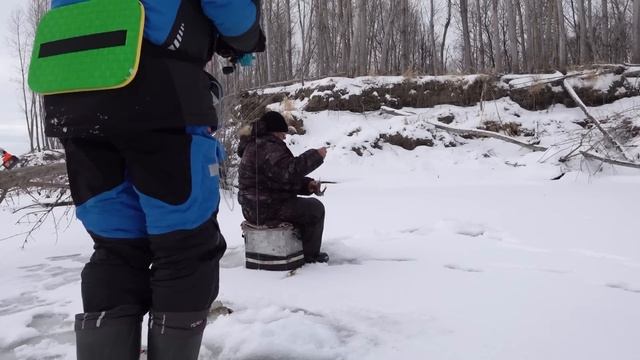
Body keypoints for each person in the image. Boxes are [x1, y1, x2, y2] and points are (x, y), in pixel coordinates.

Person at [39, 1, 265, 359]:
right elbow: (231, 11)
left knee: (116, 247)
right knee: (185, 244)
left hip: (72, 92)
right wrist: (248, 36)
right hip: (156, 91)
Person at [237, 111, 329, 264]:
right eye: (282, 133)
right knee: (315, 209)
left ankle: (297, 247)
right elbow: (289, 172)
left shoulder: (257, 144)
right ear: (274, 132)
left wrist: (307, 185)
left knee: (302, 208)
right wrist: (316, 155)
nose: (285, 137)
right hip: (265, 208)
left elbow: (278, 179)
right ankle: (310, 257)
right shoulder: (267, 147)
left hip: (255, 207)